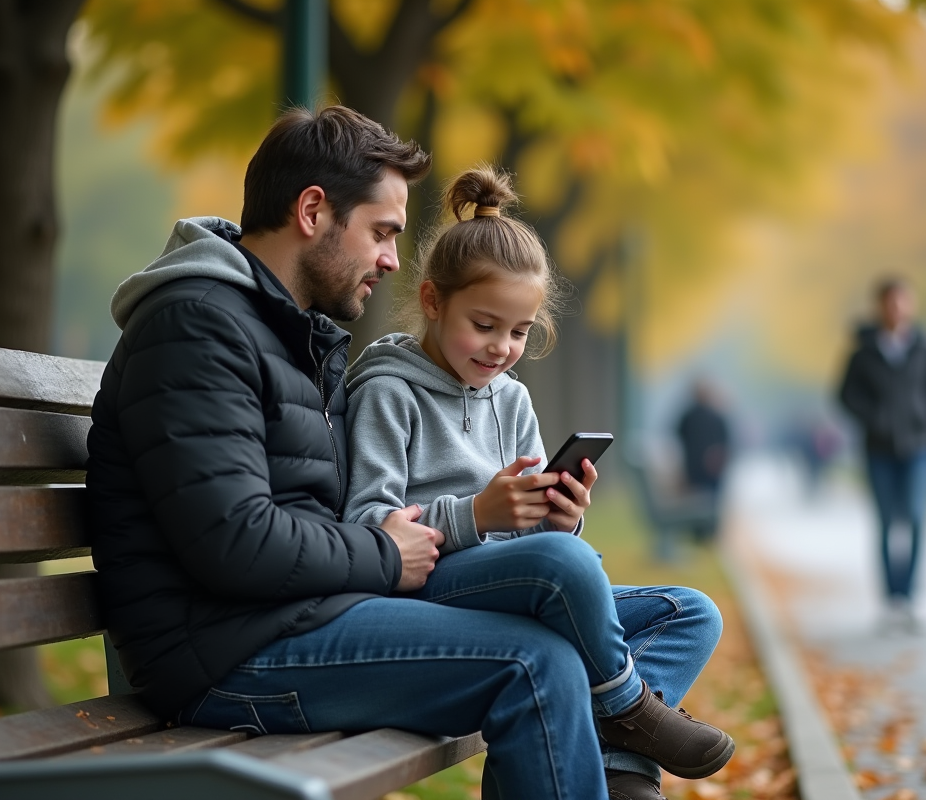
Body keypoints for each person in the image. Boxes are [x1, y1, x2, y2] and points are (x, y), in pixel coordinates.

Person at [84, 106, 708, 800]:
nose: (391, 258)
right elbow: (233, 541)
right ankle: (622, 714)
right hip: (224, 655)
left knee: (640, 621)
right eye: (381, 232)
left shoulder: (286, 331)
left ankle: (621, 748)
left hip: (298, 614)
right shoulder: (196, 327)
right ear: (313, 211)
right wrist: (386, 553)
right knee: (537, 663)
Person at [341, 167, 733, 800]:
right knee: (563, 563)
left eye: (519, 332)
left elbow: (538, 540)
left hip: (521, 584)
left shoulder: (513, 399)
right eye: (484, 324)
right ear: (433, 301)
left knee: (691, 613)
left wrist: (559, 518)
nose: (500, 347)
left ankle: (621, 763)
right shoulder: (388, 391)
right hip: (429, 598)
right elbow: (367, 527)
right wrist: (477, 515)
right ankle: (625, 707)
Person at [837, 277, 926, 631]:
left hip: (920, 446)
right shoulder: (862, 350)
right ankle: (891, 599)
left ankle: (911, 596)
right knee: (887, 523)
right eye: (890, 302)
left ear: (912, 305)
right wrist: (873, 417)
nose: (897, 308)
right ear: (879, 306)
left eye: (903, 301)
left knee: (919, 518)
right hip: (879, 450)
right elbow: (844, 395)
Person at [675, 380, 730, 541]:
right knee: (710, 499)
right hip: (711, 470)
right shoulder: (716, 416)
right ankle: (709, 533)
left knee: (699, 499)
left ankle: (699, 533)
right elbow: (724, 442)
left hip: (693, 470)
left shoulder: (687, 416)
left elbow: (679, 436)